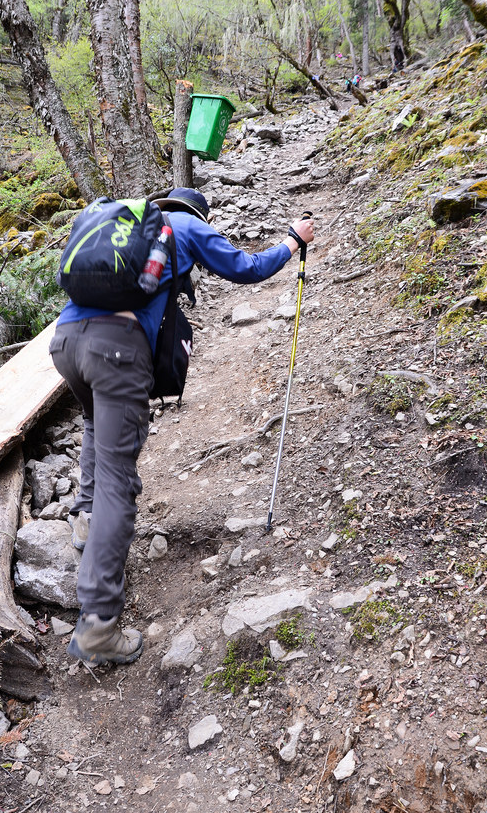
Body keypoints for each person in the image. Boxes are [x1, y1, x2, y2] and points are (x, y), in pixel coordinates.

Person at [49, 188, 314, 669]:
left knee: (93, 426)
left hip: (66, 342)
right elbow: (246, 268)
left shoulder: (123, 227)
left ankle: (88, 524)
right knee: (118, 481)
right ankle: (98, 626)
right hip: (115, 351)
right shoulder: (186, 227)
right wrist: (293, 241)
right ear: (195, 213)